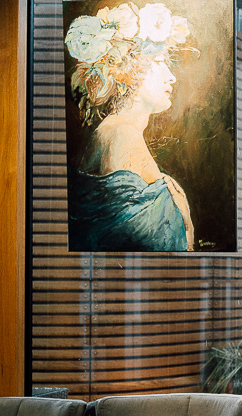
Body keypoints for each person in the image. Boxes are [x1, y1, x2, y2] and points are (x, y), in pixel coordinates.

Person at [65, 2, 196, 251]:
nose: (171, 77)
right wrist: (185, 225)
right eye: (159, 62)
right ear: (129, 70)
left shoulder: (114, 132)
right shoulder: (121, 135)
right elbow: (154, 244)